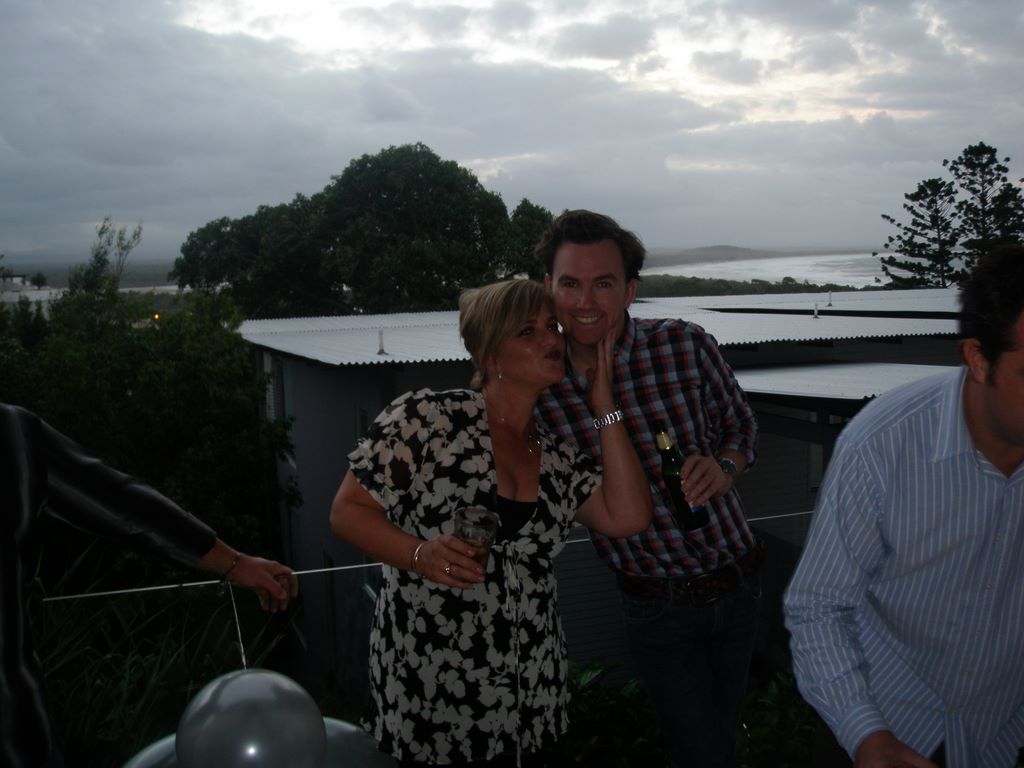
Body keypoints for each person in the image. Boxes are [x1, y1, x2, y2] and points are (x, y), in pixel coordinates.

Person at [330, 279, 653, 767]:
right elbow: (347, 511)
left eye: (552, 327)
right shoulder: (429, 420)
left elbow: (629, 516)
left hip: (531, 691)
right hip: (436, 690)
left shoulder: (557, 457)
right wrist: (419, 554)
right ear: (491, 356)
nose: (551, 339)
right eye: (528, 331)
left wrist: (605, 408)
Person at [533, 210, 762, 768]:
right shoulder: (542, 392)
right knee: (701, 753)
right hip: (656, 606)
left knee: (721, 738)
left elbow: (741, 427)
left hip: (740, 586)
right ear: (549, 287)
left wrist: (724, 467)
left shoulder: (683, 344)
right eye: (571, 283)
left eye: (603, 283)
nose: (586, 301)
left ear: (630, 290)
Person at [783, 244, 1024, 768]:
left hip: (998, 736)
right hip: (880, 724)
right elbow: (819, 606)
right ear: (979, 359)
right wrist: (865, 734)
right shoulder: (881, 444)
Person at [1, 402, 299, 768]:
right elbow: (120, 502)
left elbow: (120, 501)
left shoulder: (14, 435)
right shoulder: (12, 434)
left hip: (21, 730)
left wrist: (234, 564)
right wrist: (233, 563)